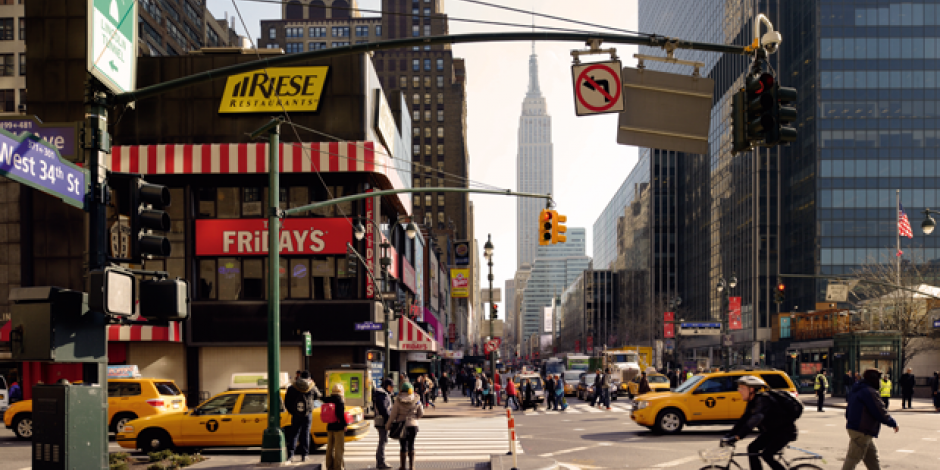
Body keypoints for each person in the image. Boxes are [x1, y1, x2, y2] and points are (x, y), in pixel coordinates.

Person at [723, 376, 798, 470]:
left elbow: (754, 420)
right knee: (752, 448)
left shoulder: (763, 400)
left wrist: (738, 436)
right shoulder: (752, 401)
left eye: (742, 388)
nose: (739, 391)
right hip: (772, 432)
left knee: (767, 455)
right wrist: (730, 434)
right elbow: (744, 419)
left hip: (784, 432)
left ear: (751, 389)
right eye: (739, 388)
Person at [842, 369, 899, 470]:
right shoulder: (869, 392)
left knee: (872, 458)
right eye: (879, 378)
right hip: (862, 430)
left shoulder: (858, 388)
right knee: (852, 459)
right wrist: (892, 423)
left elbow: (848, 409)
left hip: (858, 428)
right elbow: (879, 411)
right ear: (873, 378)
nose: (880, 381)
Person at [284, 371, 321, 463]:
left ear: (300, 377)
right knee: (305, 434)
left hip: (296, 413)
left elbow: (287, 401)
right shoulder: (311, 387)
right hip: (307, 414)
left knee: (294, 434)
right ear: (309, 378)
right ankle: (304, 455)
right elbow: (319, 395)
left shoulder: (292, 387)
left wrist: (292, 411)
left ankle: (290, 455)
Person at [389, 382, 424, 470]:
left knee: (403, 446)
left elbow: (393, 414)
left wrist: (388, 425)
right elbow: (421, 413)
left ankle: (403, 466)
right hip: (413, 426)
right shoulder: (417, 399)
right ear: (410, 390)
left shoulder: (397, 400)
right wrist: (415, 418)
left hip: (401, 426)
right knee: (411, 445)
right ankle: (412, 467)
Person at [323, 383, 349, 470]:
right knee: (339, 448)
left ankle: (329, 466)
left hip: (330, 426)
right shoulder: (340, 400)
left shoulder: (328, 399)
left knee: (329, 447)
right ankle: (338, 467)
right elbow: (340, 415)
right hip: (338, 427)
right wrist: (345, 425)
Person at [373, 379, 394, 469]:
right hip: (382, 422)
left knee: (382, 441)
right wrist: (389, 421)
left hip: (380, 421)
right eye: (391, 387)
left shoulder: (382, 394)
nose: (392, 389)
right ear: (386, 386)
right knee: (383, 441)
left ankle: (380, 461)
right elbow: (384, 410)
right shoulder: (382, 395)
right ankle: (381, 462)